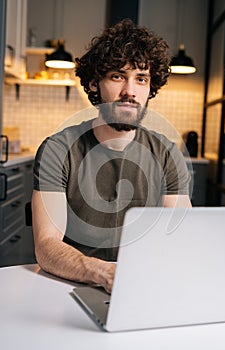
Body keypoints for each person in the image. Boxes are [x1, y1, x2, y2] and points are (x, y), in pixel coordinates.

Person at [32, 19, 192, 294]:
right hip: (70, 285)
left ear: (149, 89)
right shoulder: (58, 149)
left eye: (141, 79)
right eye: (118, 76)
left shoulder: (167, 154)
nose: (130, 91)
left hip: (141, 286)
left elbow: (181, 237)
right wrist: (103, 273)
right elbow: (47, 246)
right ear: (95, 84)